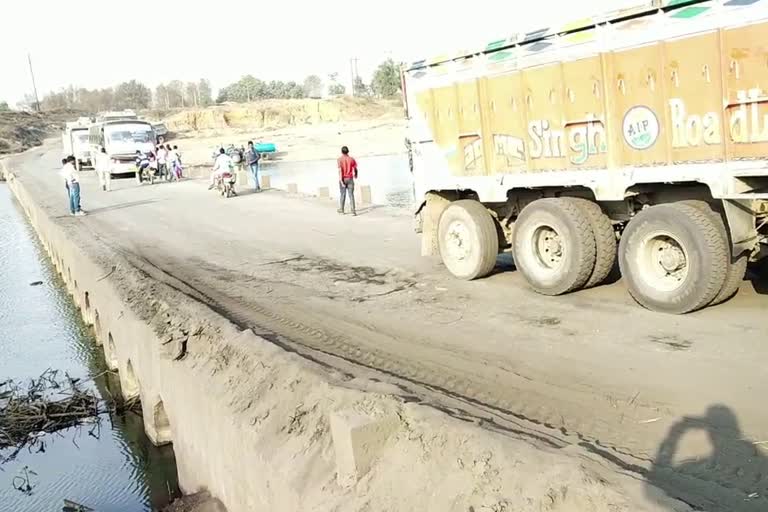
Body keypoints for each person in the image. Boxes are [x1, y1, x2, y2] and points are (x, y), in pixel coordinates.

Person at [337, 145, 358, 215]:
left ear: (342, 152)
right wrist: (356, 174)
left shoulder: (339, 159)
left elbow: (340, 171)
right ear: (348, 151)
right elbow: (355, 168)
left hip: (343, 178)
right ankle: (353, 211)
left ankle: (342, 210)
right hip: (350, 179)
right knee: (351, 195)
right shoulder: (351, 159)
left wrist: (341, 180)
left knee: (343, 194)